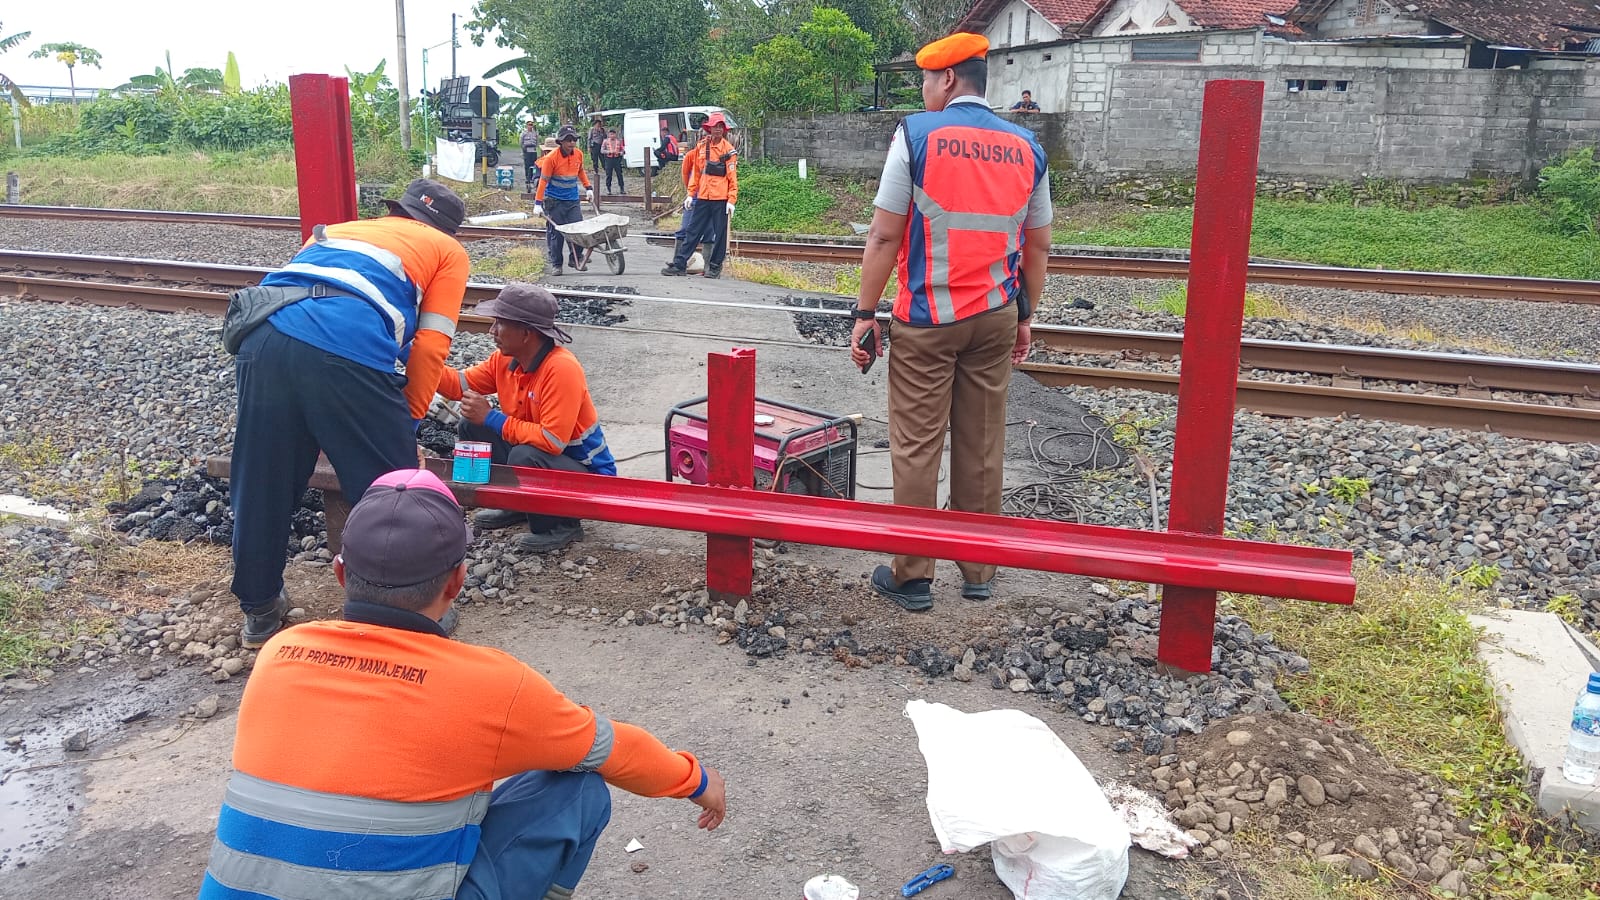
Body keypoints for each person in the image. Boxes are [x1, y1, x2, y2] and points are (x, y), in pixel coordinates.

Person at [198, 467, 728, 900]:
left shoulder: (279, 654)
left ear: (340, 574)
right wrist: (698, 781)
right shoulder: (492, 685)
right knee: (576, 788)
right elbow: (617, 750)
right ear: (457, 581)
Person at [848, 32, 1051, 611]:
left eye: (926, 80)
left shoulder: (914, 135)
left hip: (928, 320)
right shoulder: (1026, 146)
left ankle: (913, 577)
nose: (923, 90)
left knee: (917, 446)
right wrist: (1026, 316)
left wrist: (866, 314)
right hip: (995, 317)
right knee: (983, 442)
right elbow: (1036, 246)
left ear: (948, 80)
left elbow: (886, 233)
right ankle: (979, 569)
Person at [228, 178, 471, 649]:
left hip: (262, 338)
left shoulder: (336, 230)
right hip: (346, 347)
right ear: (446, 229)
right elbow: (430, 347)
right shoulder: (448, 251)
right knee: (395, 487)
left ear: (396, 213)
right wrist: (408, 422)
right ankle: (407, 611)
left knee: (262, 478)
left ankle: (259, 609)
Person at [436, 283, 616, 553]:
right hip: (551, 462)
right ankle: (517, 505)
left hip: (588, 478)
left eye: (499, 323)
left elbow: (551, 441)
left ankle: (561, 525)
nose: (491, 331)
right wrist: (419, 359)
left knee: (523, 454)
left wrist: (492, 417)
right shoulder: (504, 360)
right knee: (471, 425)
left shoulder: (561, 369)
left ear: (527, 333)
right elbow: (459, 383)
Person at [661, 112, 738, 279]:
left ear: (724, 130)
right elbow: (695, 172)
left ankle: (715, 268)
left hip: (721, 199)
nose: (717, 130)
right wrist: (690, 193)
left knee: (720, 234)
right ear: (709, 128)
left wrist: (731, 200)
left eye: (720, 127)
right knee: (692, 232)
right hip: (703, 196)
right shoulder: (702, 146)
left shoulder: (729, 151)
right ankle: (680, 264)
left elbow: (732, 177)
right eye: (715, 126)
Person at [534, 125, 594, 276]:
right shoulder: (551, 159)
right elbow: (543, 181)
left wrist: (588, 188)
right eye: (568, 140)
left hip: (572, 200)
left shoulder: (578, 155)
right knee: (557, 234)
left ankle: (575, 258)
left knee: (578, 230)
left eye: (573, 140)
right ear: (561, 142)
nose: (571, 143)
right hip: (555, 201)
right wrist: (538, 203)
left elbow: (580, 172)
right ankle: (557, 264)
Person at [601, 127, 626, 194]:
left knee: (619, 174)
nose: (612, 135)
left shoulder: (618, 141)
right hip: (609, 159)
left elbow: (623, 151)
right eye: (611, 134)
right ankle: (608, 189)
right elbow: (602, 150)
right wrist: (608, 152)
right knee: (609, 174)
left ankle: (622, 188)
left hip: (617, 159)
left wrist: (620, 153)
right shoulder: (605, 141)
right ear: (608, 135)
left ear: (615, 134)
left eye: (613, 134)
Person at [520, 120, 542, 190]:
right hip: (527, 151)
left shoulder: (535, 133)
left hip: (533, 151)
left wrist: (537, 148)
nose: (530, 126)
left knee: (534, 166)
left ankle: (533, 178)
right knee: (527, 166)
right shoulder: (523, 133)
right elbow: (521, 142)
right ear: (526, 126)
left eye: (531, 125)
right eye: (529, 125)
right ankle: (527, 178)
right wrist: (523, 150)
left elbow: (537, 142)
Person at [587, 117, 606, 182]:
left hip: (601, 145)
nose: (598, 125)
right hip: (594, 145)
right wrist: (589, 147)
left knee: (602, 158)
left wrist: (600, 131)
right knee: (595, 159)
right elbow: (589, 138)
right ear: (595, 124)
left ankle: (605, 169)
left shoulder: (602, 130)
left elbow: (605, 137)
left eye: (599, 124)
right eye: (597, 124)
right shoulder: (592, 129)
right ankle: (596, 170)